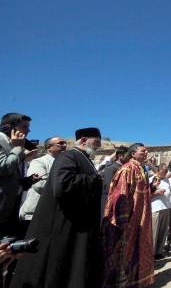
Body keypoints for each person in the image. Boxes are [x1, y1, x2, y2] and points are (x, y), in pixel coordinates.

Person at [11, 127, 104, 288]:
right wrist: (95, 180)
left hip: (77, 226)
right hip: (63, 224)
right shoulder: (69, 156)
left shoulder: (82, 157)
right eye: (96, 142)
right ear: (83, 140)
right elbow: (62, 185)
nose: (98, 146)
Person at [102, 143, 154, 288]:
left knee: (139, 249)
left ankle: (136, 281)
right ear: (133, 154)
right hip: (129, 220)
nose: (146, 152)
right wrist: (123, 220)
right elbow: (121, 195)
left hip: (141, 218)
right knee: (124, 253)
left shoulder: (141, 169)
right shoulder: (127, 170)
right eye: (143, 151)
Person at [0, 113, 38, 237]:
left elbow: (8, 177)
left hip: (9, 211)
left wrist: (27, 182)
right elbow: (4, 168)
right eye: (25, 126)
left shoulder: (12, 144)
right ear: (9, 128)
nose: (28, 130)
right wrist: (18, 149)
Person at [19, 136, 67, 223]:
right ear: (49, 147)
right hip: (37, 212)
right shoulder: (39, 162)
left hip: (57, 212)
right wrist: (66, 190)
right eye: (60, 143)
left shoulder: (66, 164)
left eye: (65, 143)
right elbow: (39, 184)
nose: (64, 145)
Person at [99, 145, 129, 218]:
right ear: (120, 156)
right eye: (127, 156)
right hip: (109, 201)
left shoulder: (124, 168)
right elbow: (108, 187)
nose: (129, 158)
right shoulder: (112, 168)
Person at [150, 164, 171, 259]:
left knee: (163, 231)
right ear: (159, 170)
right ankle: (151, 254)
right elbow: (146, 193)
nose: (166, 172)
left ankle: (159, 252)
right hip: (155, 208)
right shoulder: (151, 179)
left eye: (167, 170)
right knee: (154, 232)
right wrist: (156, 192)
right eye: (165, 170)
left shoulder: (167, 180)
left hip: (166, 207)